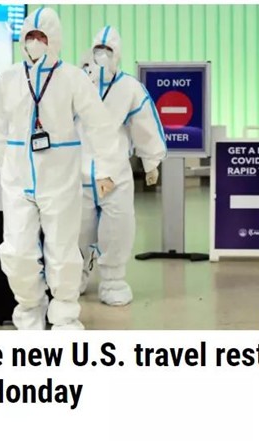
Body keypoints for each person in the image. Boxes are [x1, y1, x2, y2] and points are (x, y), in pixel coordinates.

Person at [0, 7, 120, 330]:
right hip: (18, 181)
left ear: (54, 39)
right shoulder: (8, 79)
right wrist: (6, 168)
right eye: (30, 36)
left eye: (42, 36)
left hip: (59, 179)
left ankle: (64, 315)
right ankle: (30, 309)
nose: (35, 42)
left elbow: (99, 125)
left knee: (62, 252)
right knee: (17, 252)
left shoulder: (72, 78)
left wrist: (105, 169)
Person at [77, 26, 167, 306]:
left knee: (118, 227)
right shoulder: (76, 82)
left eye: (108, 50)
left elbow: (145, 124)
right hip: (78, 172)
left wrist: (151, 161)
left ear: (118, 55)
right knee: (76, 228)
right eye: (98, 50)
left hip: (114, 173)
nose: (102, 55)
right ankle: (75, 273)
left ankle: (113, 280)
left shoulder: (129, 88)